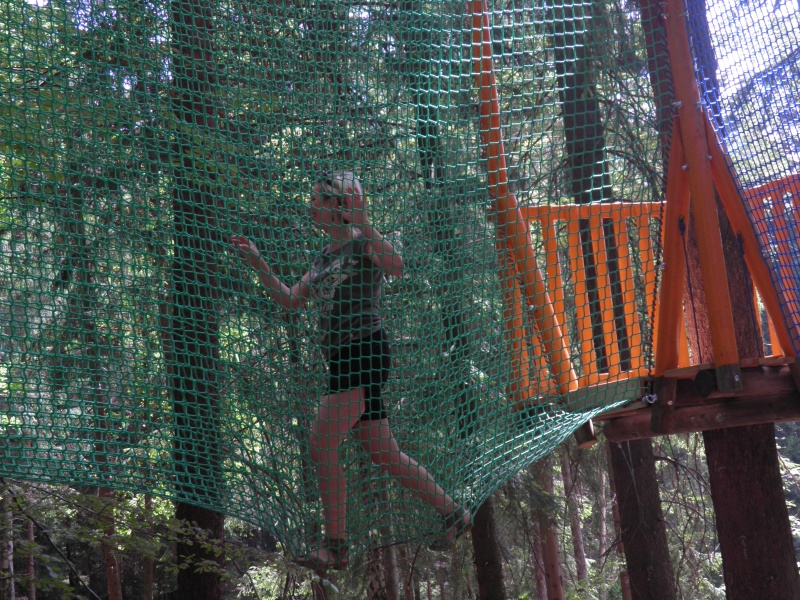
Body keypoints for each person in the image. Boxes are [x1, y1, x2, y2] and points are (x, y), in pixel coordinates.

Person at [231, 171, 472, 569]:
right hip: (344, 357)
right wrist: (258, 262)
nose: (311, 207)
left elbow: (396, 265)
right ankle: (453, 513)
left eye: (318, 200)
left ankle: (336, 547)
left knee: (321, 444)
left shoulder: (363, 244)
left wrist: (364, 222)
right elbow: (290, 300)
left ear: (340, 205)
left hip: (363, 351)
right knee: (385, 453)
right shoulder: (324, 256)